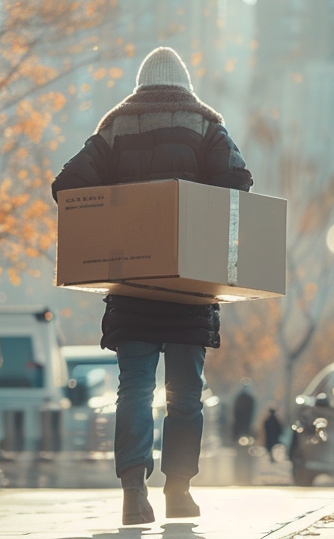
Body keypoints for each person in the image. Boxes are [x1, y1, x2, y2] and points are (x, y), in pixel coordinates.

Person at [52, 46, 253, 524]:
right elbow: (238, 181)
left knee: (135, 391)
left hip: (132, 285)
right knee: (185, 395)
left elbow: (66, 185)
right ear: (185, 86)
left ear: (139, 87)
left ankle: (132, 493)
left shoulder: (114, 129)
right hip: (188, 289)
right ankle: (179, 491)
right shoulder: (205, 126)